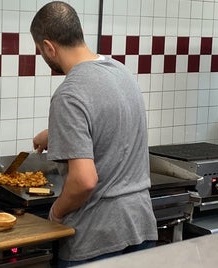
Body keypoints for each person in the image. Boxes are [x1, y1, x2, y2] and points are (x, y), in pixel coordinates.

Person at [30, 1, 158, 266]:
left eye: (40, 49)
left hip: (96, 238)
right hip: (140, 226)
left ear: (50, 47)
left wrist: (55, 213)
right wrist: (54, 132)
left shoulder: (69, 94)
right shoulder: (120, 71)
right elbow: (107, 125)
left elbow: (84, 181)